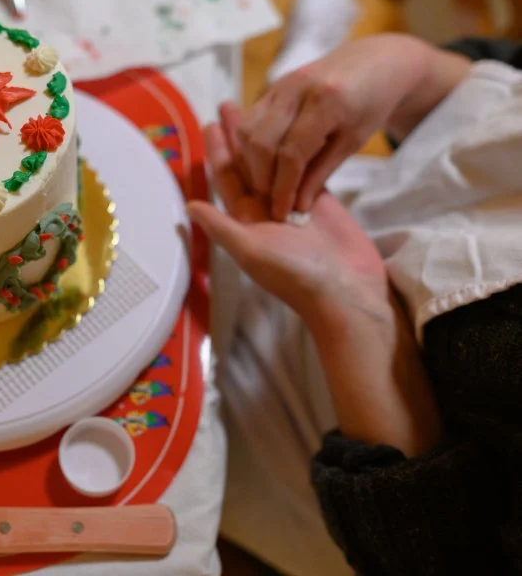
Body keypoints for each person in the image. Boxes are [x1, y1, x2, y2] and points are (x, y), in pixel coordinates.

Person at [191, 32, 522, 575]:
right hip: (341, 210)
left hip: (309, 425)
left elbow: (449, 559)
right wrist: (411, 68)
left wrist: (349, 302)